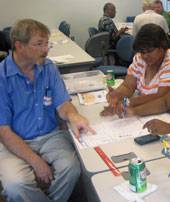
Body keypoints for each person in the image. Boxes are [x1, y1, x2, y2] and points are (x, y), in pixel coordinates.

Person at [0, 19, 95, 202]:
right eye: (39, 44)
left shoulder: (48, 67)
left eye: (47, 44)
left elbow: (62, 104)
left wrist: (74, 115)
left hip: (50, 136)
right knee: (16, 184)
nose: (46, 49)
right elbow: (4, 132)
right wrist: (37, 162)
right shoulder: (2, 77)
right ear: (19, 46)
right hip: (14, 140)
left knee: (72, 167)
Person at [101, 23, 170, 116]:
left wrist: (127, 102)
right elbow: (128, 86)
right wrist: (117, 95)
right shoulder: (140, 58)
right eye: (142, 51)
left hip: (164, 114)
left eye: (150, 51)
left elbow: (161, 97)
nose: (145, 56)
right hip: (141, 109)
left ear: (162, 48)